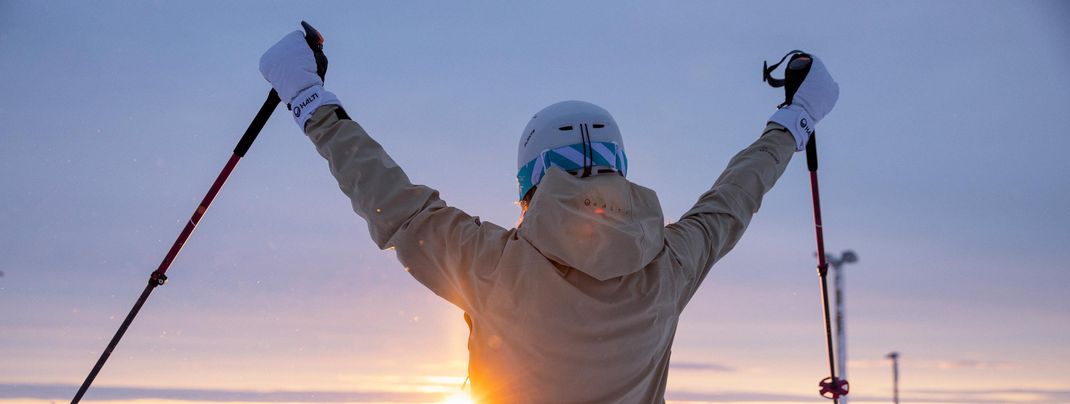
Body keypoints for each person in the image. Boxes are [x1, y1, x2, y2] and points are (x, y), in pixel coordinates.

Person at [259, 26, 839, 403]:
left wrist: (311, 100)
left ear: (528, 184)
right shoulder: (672, 264)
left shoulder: (492, 266)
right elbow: (734, 199)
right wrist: (793, 121)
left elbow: (396, 207)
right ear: (619, 169)